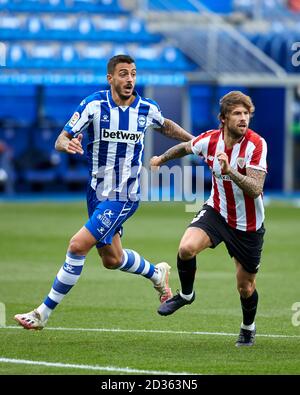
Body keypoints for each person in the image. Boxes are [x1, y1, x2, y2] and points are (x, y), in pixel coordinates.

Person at [14, 54, 193, 330]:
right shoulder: (93, 105)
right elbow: (61, 138)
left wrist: (194, 140)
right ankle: (157, 273)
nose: (129, 79)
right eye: (123, 73)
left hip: (124, 194)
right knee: (112, 259)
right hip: (97, 193)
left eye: (133, 73)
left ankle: (42, 313)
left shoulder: (146, 108)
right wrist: (67, 145)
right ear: (111, 78)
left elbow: (166, 125)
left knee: (77, 245)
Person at [150, 91, 267, 347]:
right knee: (186, 248)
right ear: (223, 118)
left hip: (248, 225)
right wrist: (161, 158)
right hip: (217, 211)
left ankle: (248, 327)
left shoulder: (256, 145)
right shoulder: (210, 140)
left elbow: (256, 188)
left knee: (245, 287)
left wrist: (230, 171)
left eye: (246, 113)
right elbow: (185, 147)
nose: (243, 118)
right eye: (237, 113)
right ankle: (187, 294)